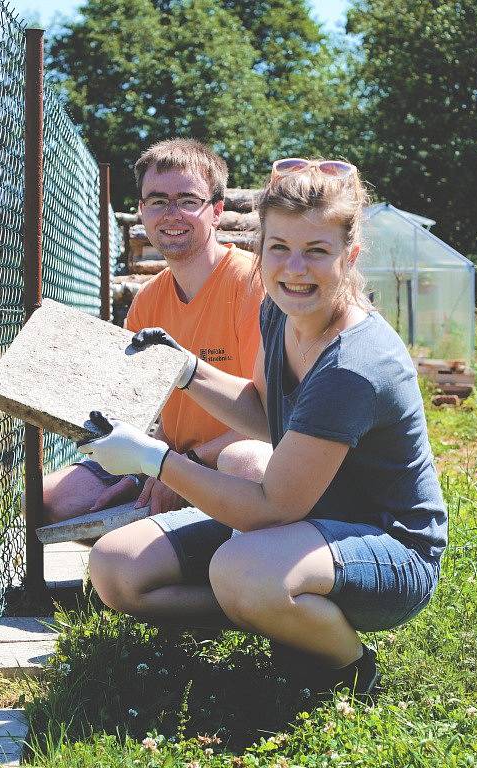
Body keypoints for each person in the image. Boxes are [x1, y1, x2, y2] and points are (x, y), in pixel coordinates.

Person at [79, 158, 447, 694]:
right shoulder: (279, 311)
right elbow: (261, 411)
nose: (295, 268)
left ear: (351, 256)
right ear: (261, 248)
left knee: (242, 568)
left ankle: (349, 665)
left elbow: (273, 506)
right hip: (310, 525)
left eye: (317, 251)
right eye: (280, 248)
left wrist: (153, 460)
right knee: (116, 567)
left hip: (389, 546)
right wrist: (186, 368)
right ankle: (276, 614)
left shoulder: (352, 364)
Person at [40, 139, 265, 524]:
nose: (171, 214)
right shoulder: (148, 301)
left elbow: (271, 422)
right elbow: (148, 415)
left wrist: (181, 469)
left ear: (217, 211)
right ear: (142, 211)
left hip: (230, 457)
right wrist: (148, 463)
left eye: (188, 200)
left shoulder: (253, 284)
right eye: (158, 201)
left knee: (248, 466)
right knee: (48, 503)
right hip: (167, 456)